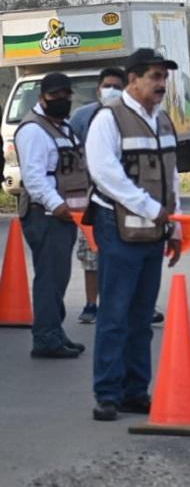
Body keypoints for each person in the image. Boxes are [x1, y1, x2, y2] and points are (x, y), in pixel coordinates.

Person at [87, 48, 183, 422]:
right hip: (118, 228)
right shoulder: (109, 119)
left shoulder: (163, 120)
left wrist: (175, 226)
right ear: (133, 80)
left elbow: (172, 178)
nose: (161, 84)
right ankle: (107, 394)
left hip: (153, 230)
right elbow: (105, 175)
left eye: (164, 77)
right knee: (115, 313)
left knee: (142, 317)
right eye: (154, 77)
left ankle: (135, 391)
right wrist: (150, 208)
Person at [13, 72, 90, 359]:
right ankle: (46, 338)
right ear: (41, 98)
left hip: (65, 215)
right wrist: (57, 205)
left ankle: (54, 331)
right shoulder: (33, 130)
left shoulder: (63, 127)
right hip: (45, 214)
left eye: (66, 95)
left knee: (58, 277)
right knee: (50, 278)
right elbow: (34, 178)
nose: (62, 100)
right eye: (55, 95)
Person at [69, 67, 126, 324]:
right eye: (107, 86)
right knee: (90, 255)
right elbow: (70, 156)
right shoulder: (82, 117)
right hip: (91, 199)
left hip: (125, 200)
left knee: (125, 256)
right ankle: (92, 304)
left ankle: (128, 304)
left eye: (117, 87)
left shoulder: (132, 117)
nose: (111, 90)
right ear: (98, 89)